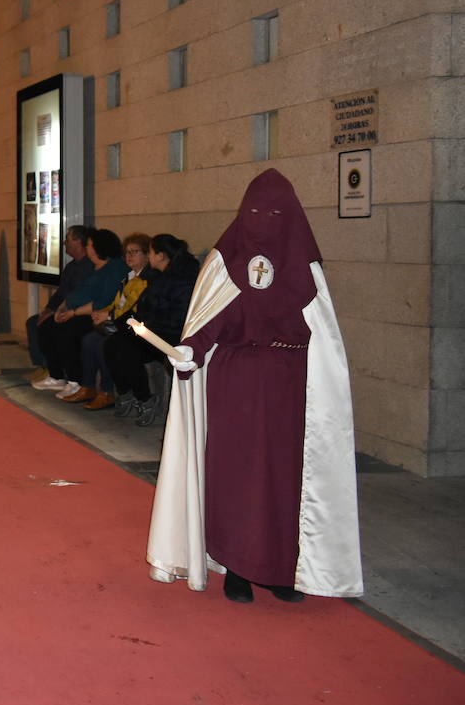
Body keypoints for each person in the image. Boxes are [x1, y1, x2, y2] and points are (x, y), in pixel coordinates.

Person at [147, 169, 362, 604]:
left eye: (275, 213)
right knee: (234, 477)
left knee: (284, 480)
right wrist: (191, 351)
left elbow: (324, 337)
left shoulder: (305, 266)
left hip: (288, 388)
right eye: (256, 211)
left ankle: (281, 569)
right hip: (234, 385)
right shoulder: (224, 262)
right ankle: (236, 569)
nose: (264, 221)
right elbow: (210, 320)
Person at [103, 234, 198, 423]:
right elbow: (145, 308)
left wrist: (142, 325)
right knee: (112, 343)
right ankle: (127, 393)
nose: (150, 258)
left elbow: (174, 317)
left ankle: (146, 399)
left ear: (160, 255)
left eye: (151, 253)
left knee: (126, 347)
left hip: (171, 337)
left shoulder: (180, 280)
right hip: (155, 330)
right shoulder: (158, 277)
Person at [64, 232, 154, 411]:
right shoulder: (128, 277)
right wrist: (104, 312)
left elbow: (134, 307)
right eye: (127, 252)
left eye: (134, 252)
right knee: (89, 340)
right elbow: (117, 301)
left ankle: (108, 392)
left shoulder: (146, 280)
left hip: (134, 327)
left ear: (146, 255)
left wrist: (109, 315)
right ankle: (88, 386)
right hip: (120, 323)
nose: (128, 256)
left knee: (104, 344)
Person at [35, 229, 128, 398]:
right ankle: (56, 375)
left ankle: (75, 380)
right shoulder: (92, 266)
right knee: (46, 326)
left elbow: (104, 301)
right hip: (75, 310)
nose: (87, 248)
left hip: (94, 314)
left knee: (68, 331)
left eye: (90, 245)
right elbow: (74, 291)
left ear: (99, 247)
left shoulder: (114, 268)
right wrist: (62, 308)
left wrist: (73, 312)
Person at [27, 226, 92, 382]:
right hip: (65, 310)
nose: (64, 244)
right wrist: (48, 309)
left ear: (78, 242)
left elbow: (80, 296)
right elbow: (61, 293)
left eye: (67, 240)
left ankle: (65, 375)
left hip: (80, 312)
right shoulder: (71, 266)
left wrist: (57, 312)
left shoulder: (90, 266)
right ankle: (47, 367)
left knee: (57, 327)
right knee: (35, 322)